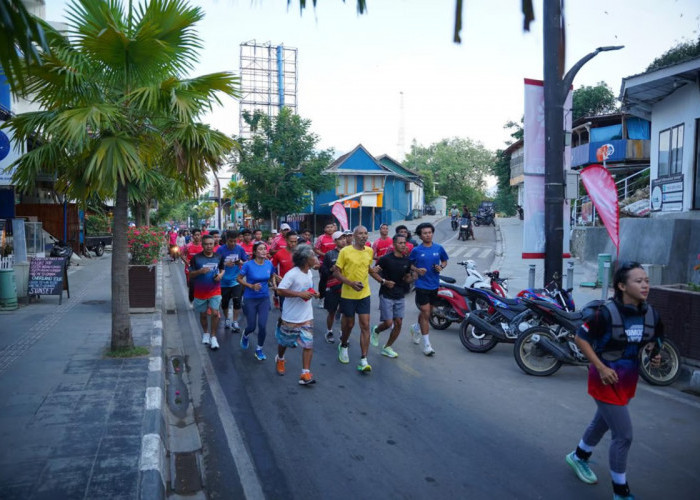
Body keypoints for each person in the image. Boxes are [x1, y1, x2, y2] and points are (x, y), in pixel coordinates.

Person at [565, 262, 662, 500]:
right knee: (624, 435)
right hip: (604, 379)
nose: (645, 285)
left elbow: (655, 338)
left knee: (603, 422)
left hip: (628, 380)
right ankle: (621, 492)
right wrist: (600, 367)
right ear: (621, 286)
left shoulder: (651, 314)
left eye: (646, 280)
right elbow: (581, 338)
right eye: (638, 281)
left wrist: (655, 354)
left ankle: (578, 456)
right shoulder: (605, 314)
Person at [333, 226, 385, 372]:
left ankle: (363, 359)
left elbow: (368, 269)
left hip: (364, 294)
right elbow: (336, 273)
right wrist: (350, 283)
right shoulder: (345, 251)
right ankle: (343, 345)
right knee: (349, 325)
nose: (363, 236)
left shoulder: (369, 251)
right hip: (348, 294)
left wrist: (382, 280)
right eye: (360, 233)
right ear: (354, 236)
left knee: (365, 325)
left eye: (365, 233)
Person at [275, 245, 320, 385]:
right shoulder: (292, 274)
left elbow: (307, 288)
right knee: (284, 342)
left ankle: (305, 373)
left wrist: (314, 292)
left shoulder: (309, 272)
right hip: (291, 317)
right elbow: (280, 291)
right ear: (306, 260)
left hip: (306, 316)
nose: (316, 258)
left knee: (308, 344)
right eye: (313, 256)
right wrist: (299, 294)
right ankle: (280, 358)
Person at [409, 222, 449, 356]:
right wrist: (417, 270)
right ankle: (427, 345)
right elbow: (410, 264)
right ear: (420, 236)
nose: (428, 235)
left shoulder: (439, 248)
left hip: (434, 285)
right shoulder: (416, 250)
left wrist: (441, 267)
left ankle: (416, 328)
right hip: (421, 285)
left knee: (428, 312)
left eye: (430, 232)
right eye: (425, 233)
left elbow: (444, 261)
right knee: (426, 312)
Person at [370, 234, 413, 358]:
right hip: (386, 294)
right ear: (394, 245)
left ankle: (387, 347)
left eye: (404, 243)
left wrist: (412, 277)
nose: (403, 245)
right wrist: (384, 281)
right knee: (388, 323)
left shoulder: (407, 260)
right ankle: (376, 330)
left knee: (398, 323)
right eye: (400, 243)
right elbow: (373, 272)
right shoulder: (385, 259)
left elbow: (406, 277)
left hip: (400, 295)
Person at [237, 242, 279, 361]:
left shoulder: (269, 264)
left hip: (264, 299)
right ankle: (245, 335)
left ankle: (259, 349)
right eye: (260, 249)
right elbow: (238, 278)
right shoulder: (248, 265)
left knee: (262, 325)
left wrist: (275, 283)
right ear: (255, 252)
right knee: (251, 326)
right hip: (250, 298)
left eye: (265, 249)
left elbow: (271, 275)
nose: (264, 251)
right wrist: (250, 286)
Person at [189, 235, 225, 350]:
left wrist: (220, 276)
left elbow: (222, 269)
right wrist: (200, 271)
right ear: (202, 245)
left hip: (215, 289)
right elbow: (190, 274)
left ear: (214, 244)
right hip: (200, 291)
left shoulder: (219, 257)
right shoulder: (196, 258)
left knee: (215, 313)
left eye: (211, 244)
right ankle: (205, 333)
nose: (209, 246)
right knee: (203, 314)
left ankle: (213, 337)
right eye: (206, 244)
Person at [216, 230, 248, 332]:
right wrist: (225, 264)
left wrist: (241, 262)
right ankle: (227, 319)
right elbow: (215, 264)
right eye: (231, 241)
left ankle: (235, 321)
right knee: (225, 302)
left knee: (237, 301)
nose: (233, 243)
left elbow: (246, 261)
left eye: (235, 241)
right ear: (226, 240)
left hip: (236, 280)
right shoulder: (220, 250)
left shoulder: (240, 249)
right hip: (223, 281)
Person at [320, 230, 347, 343]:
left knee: (344, 312)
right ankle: (329, 331)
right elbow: (323, 270)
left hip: (346, 287)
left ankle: (343, 333)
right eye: (340, 239)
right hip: (332, 288)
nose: (343, 240)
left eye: (344, 238)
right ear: (335, 241)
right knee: (332, 311)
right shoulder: (329, 254)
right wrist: (330, 270)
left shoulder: (349, 253)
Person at [271, 230, 299, 311]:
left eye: (295, 241)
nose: (293, 244)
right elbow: (272, 268)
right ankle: (281, 322)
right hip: (284, 285)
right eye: (291, 241)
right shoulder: (279, 254)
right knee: (284, 309)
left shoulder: (300, 253)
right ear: (286, 240)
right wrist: (275, 279)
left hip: (297, 285)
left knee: (296, 310)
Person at [314, 222, 338, 307]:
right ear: (324, 229)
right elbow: (316, 249)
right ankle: (321, 298)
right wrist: (325, 255)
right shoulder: (321, 238)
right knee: (324, 280)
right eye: (328, 227)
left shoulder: (336, 237)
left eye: (331, 227)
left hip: (336, 263)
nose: (330, 229)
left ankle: (334, 298)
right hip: (323, 263)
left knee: (336, 280)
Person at [181, 228, 203, 302]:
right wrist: (186, 262)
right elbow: (182, 254)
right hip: (190, 268)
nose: (197, 237)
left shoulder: (204, 246)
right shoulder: (188, 246)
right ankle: (191, 294)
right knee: (190, 285)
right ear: (192, 236)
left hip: (200, 269)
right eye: (195, 235)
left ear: (200, 236)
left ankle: (199, 298)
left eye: (198, 235)